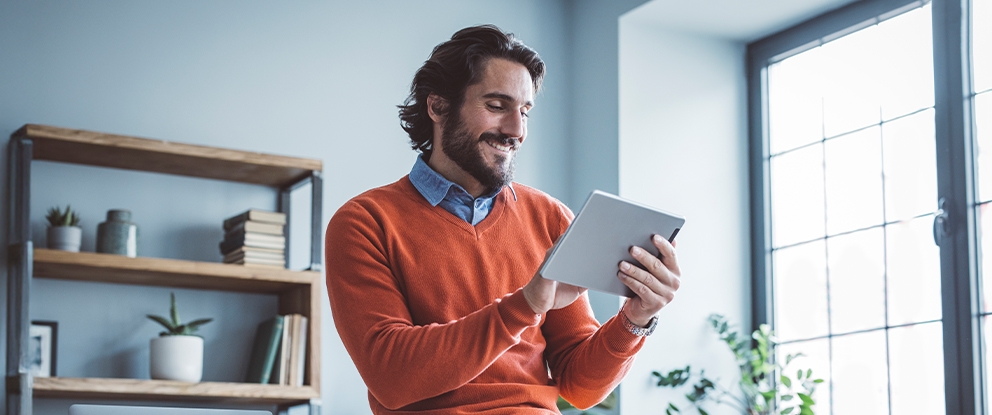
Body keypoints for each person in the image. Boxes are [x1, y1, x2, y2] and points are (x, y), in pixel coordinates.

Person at [325, 24, 681, 414]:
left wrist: (636, 317)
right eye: (497, 106)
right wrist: (525, 305)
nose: (517, 130)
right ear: (438, 106)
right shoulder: (364, 223)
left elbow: (579, 389)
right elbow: (392, 377)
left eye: (524, 111)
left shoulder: (549, 218)